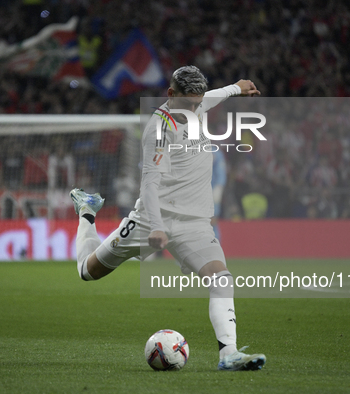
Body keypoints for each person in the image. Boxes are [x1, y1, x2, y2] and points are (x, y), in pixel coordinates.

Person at [69, 66, 266, 371]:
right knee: (88, 271)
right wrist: (157, 227)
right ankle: (86, 211)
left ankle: (228, 354)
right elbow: (150, 182)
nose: (194, 109)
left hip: (194, 224)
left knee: (221, 279)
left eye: (197, 103)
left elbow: (212, 97)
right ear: (171, 95)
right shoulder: (159, 129)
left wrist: (236, 88)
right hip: (151, 219)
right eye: (189, 103)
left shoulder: (198, 104)